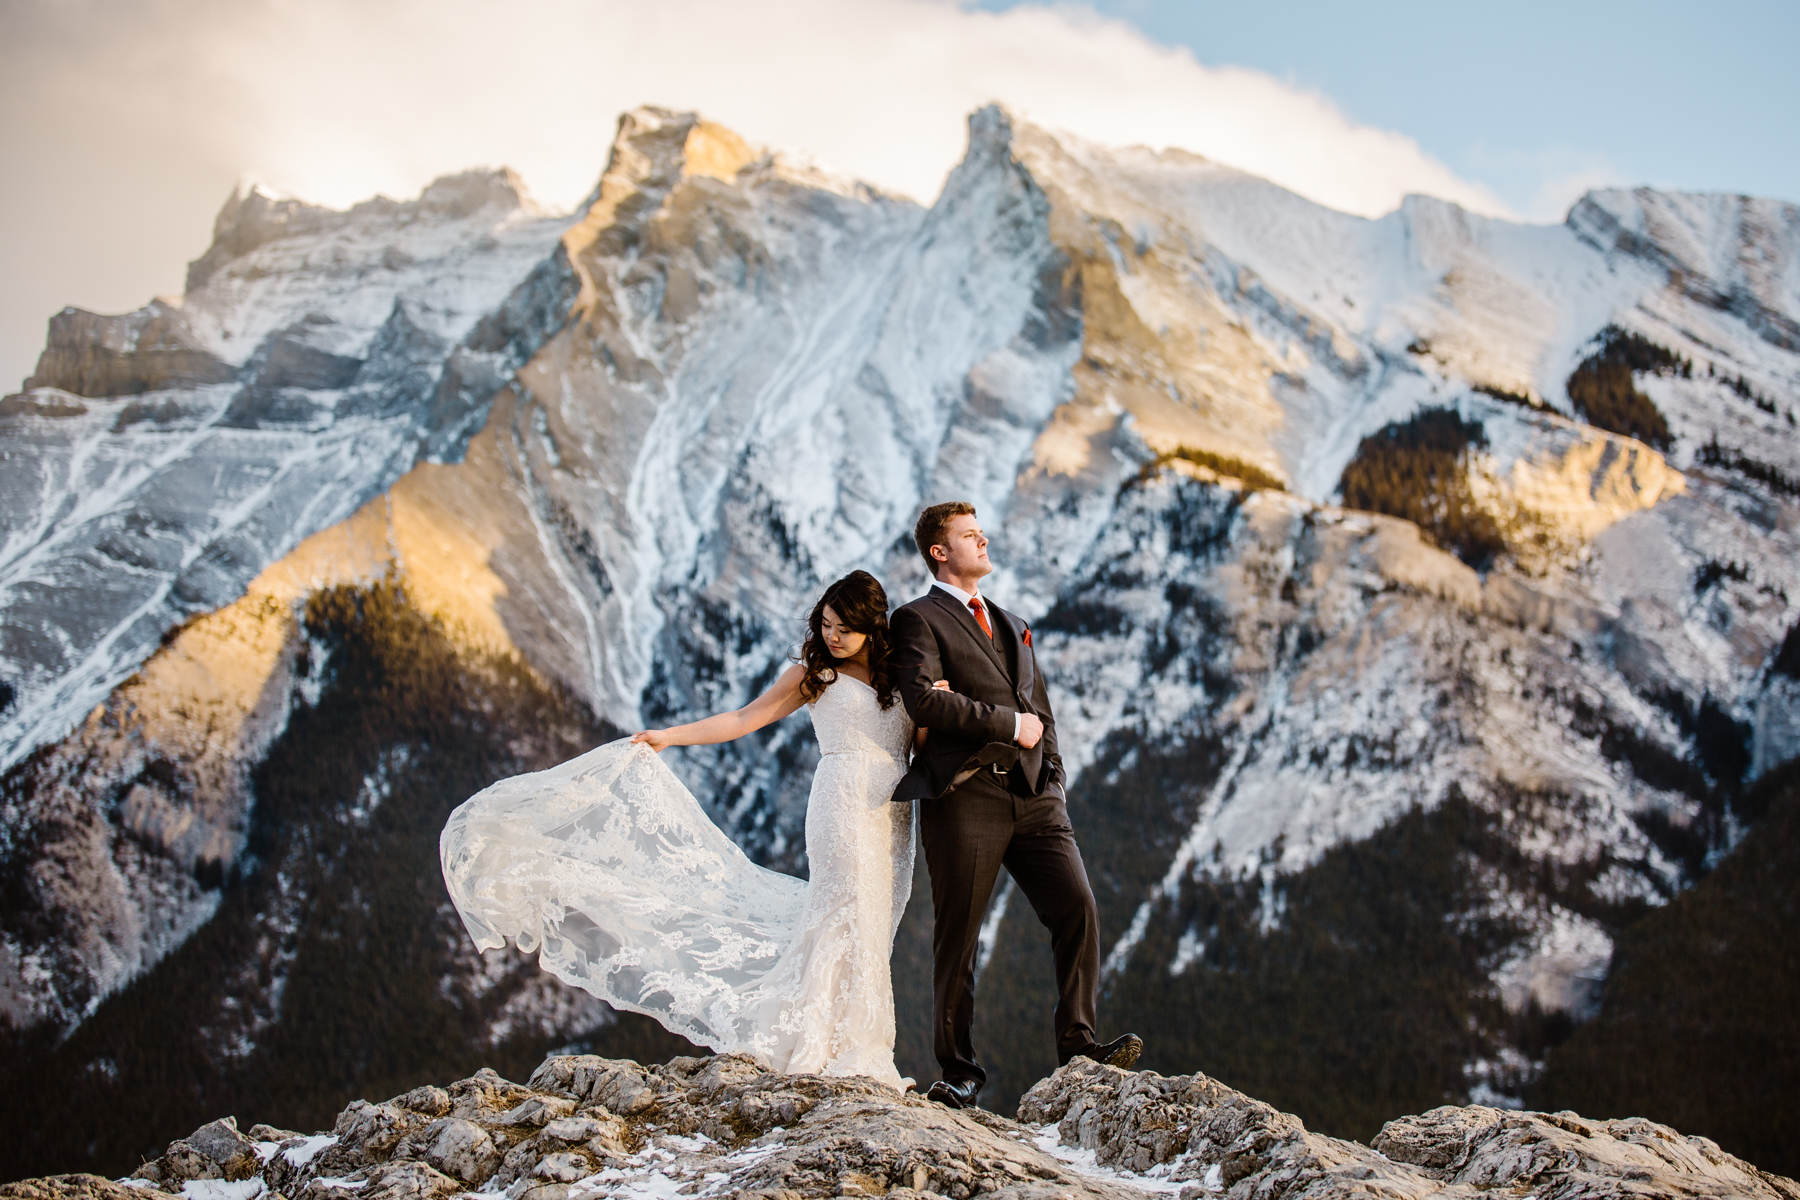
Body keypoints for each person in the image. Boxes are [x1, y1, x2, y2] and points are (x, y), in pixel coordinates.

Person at [439, 570, 916, 1088]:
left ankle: (856, 1039)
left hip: (892, 813)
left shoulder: (904, 673)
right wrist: (671, 737)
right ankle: (830, 1044)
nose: (832, 637)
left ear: (873, 628)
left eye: (844, 628)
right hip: (840, 806)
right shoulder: (814, 675)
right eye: (825, 624)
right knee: (844, 908)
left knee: (873, 916)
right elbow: (742, 719)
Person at [889, 500, 1142, 1110]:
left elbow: (1040, 709)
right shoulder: (916, 620)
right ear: (938, 552)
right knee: (960, 936)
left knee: (1077, 907)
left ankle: (1078, 1048)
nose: (983, 541)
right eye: (968, 536)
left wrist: (1051, 771)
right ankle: (959, 1073)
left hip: (1034, 797)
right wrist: (1010, 726)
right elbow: (923, 701)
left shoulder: (1012, 620)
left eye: (981, 532)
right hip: (965, 796)